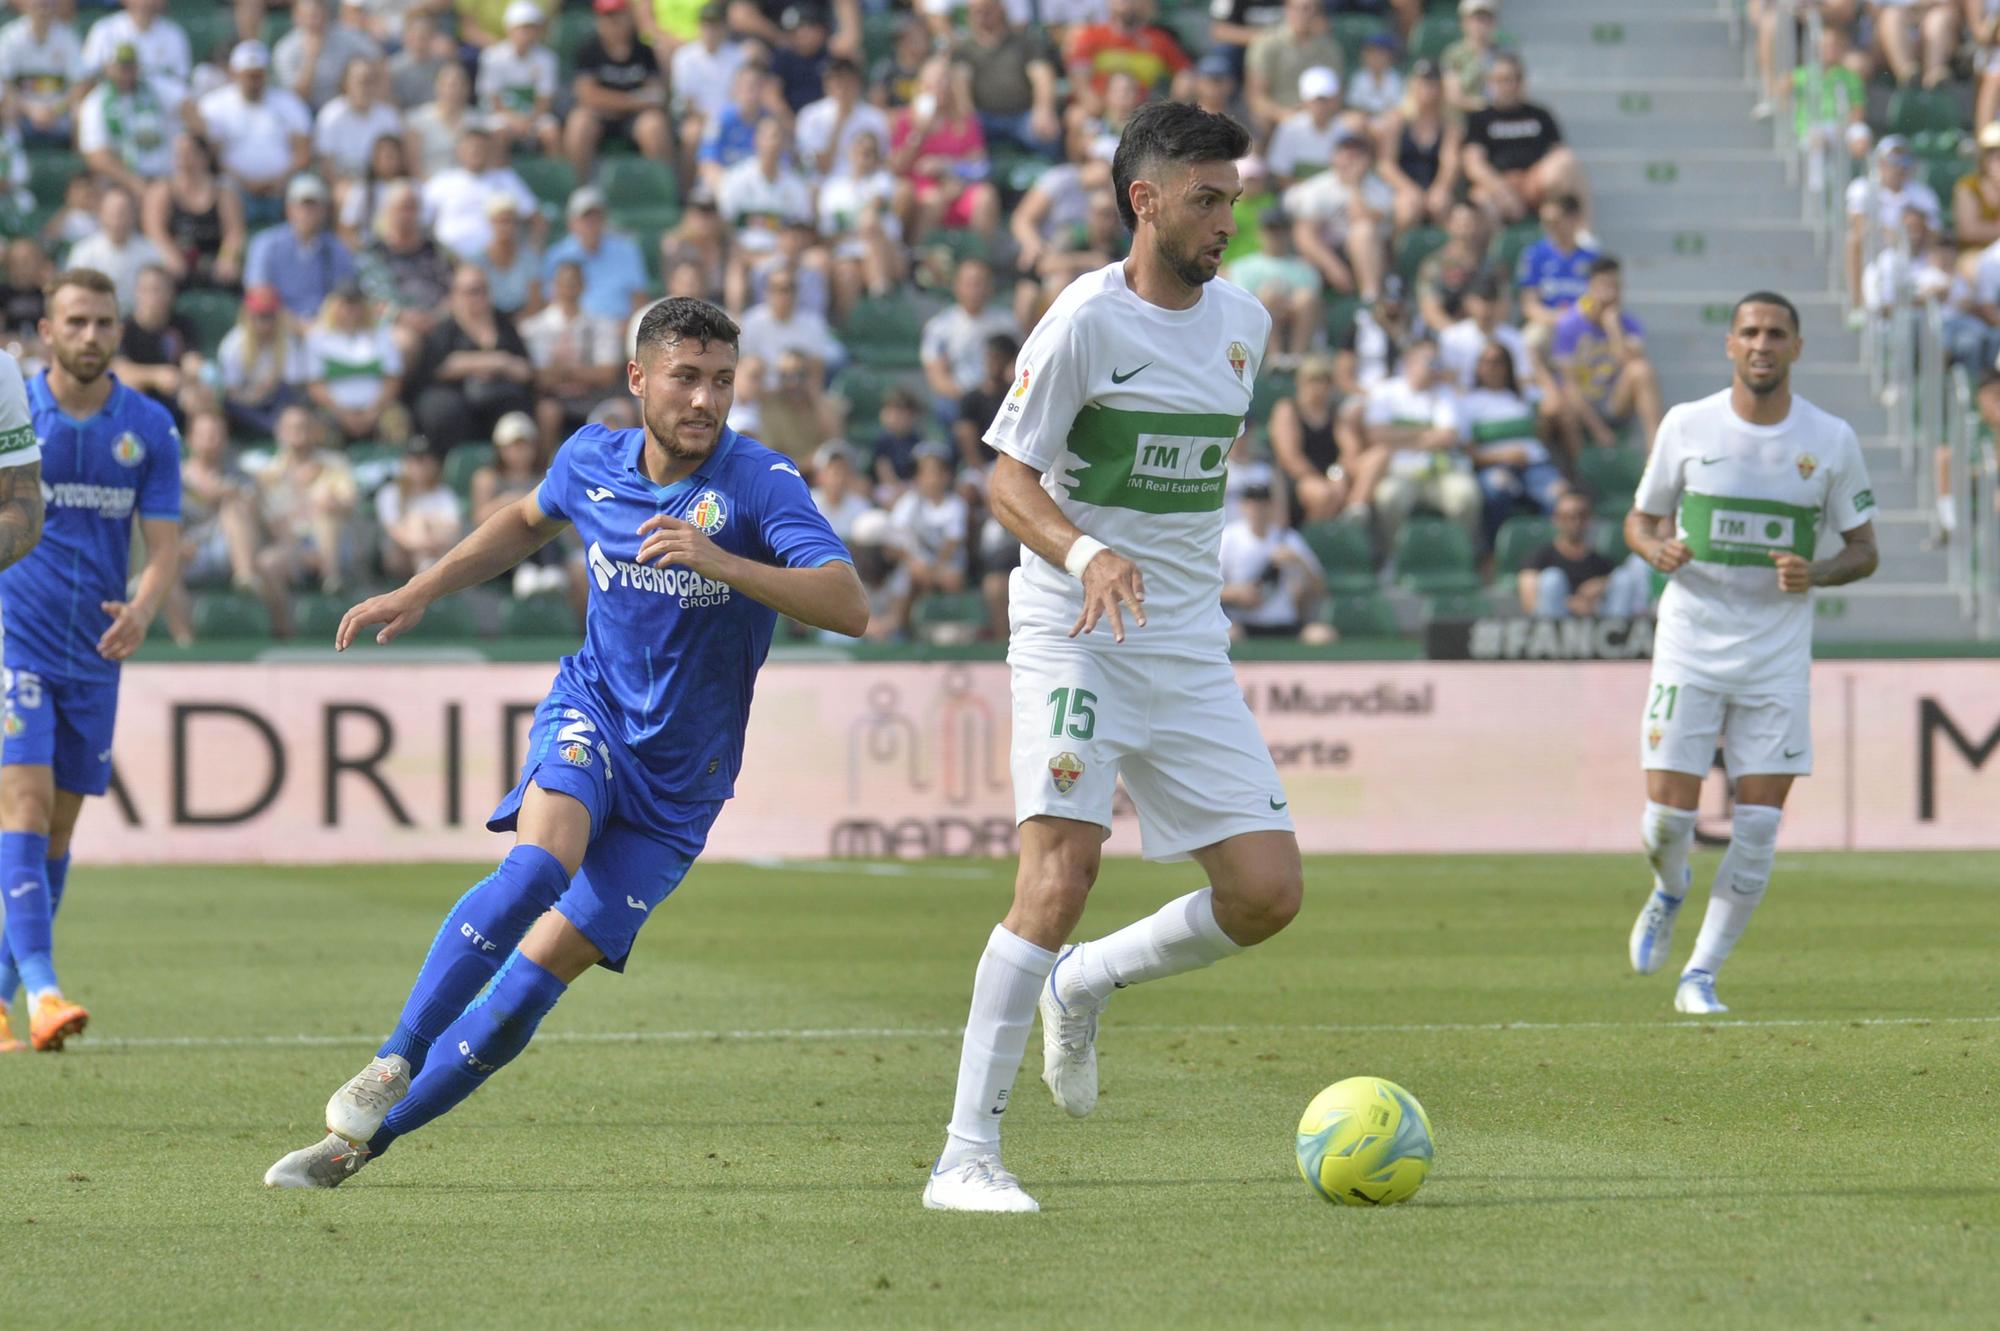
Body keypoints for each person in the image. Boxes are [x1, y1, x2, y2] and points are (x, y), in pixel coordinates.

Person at [263, 296, 867, 1187]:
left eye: (723, 382)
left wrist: (725, 563)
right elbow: (524, 518)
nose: (706, 400)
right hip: (593, 715)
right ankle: (393, 1056)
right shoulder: (592, 457)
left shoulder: (760, 482)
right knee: (542, 863)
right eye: (686, 378)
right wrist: (419, 588)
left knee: (531, 987)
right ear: (638, 380)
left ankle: (355, 1147)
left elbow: (848, 602)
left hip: (683, 785)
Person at [927, 101, 1300, 1213]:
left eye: (1232, 197)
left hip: (1185, 640)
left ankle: (1087, 981)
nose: (1225, 218)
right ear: (1143, 201)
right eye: (1205, 198)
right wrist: (1087, 551)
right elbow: (1005, 477)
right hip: (1074, 631)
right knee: (1057, 877)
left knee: (1266, 892)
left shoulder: (1246, 323)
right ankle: (964, 1154)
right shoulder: (1084, 320)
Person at [1623, 291, 1878, 1016]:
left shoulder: (1830, 439)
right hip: (1691, 640)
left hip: (1776, 650)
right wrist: (1656, 548)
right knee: (1668, 821)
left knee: (1760, 825)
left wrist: (1816, 571)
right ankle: (1669, 888)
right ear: (1730, 345)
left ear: (1796, 347)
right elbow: (1639, 520)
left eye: (1776, 333)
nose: (1762, 344)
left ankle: (1700, 975)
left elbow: (1864, 550)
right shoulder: (1687, 425)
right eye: (1750, 332)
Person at [0, 268, 179, 1055]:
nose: (90, 336)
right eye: (75, 322)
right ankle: (43, 990)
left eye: (104, 322)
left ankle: (6, 995)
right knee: (25, 808)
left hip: (95, 651)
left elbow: (166, 548)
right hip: (15, 635)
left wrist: (142, 609)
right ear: (47, 331)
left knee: (60, 830)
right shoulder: (16, 412)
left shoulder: (149, 426)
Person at [405, 263, 537, 448]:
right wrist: (493, 361)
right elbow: (439, 366)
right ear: (456, 294)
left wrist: (501, 363)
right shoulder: (445, 327)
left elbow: (526, 369)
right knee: (443, 410)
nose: (479, 297)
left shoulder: (503, 323)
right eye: (472, 291)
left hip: (500, 399)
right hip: (456, 402)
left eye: (483, 290)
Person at [1462, 53, 1587, 226]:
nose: (1506, 85)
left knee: (1567, 163)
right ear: (1490, 83)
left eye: (1511, 79)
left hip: (1534, 183)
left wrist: (1529, 181)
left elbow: (1559, 154)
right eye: (1500, 80)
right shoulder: (1480, 119)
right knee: (1478, 199)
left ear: (1521, 82)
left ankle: (1580, 235)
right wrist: (1502, 190)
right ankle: (1490, 251)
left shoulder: (1540, 115)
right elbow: (1473, 164)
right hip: (1497, 185)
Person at [1552, 256, 1661, 450]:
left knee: (1641, 370)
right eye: (1604, 286)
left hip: (1613, 400)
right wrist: (1599, 430)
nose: (1610, 293)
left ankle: (1655, 451)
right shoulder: (1569, 324)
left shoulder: (1629, 324)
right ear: (1590, 286)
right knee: (1565, 402)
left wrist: (1613, 327)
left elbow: (1630, 365)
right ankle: (1577, 471)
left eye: (1616, 286)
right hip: (1582, 401)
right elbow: (1570, 385)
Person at [564, 0, 670, 183]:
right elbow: (586, 96)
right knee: (579, 123)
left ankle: (661, 188)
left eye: (618, 16)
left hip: (635, 118)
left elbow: (656, 95)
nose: (613, 23)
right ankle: (578, 190)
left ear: (629, 17)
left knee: (654, 125)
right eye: (607, 17)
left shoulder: (644, 51)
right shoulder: (589, 50)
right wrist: (632, 100)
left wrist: (610, 100)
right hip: (601, 117)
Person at [1218, 477, 1328, 641]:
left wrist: (1297, 561)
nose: (1257, 507)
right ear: (1243, 505)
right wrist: (1237, 593)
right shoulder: (1229, 537)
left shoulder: (1288, 538)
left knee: (1322, 636)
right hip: (1244, 624)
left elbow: (1321, 588)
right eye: (1252, 501)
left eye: (1263, 502)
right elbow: (1209, 587)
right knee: (1228, 635)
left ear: (1271, 506)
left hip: (1286, 623)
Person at [1518, 489, 1649, 619]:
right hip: (1554, 627)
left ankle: (1618, 636)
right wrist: (1572, 604)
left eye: (1581, 516)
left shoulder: (1600, 562)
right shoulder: (1539, 557)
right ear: (1556, 519)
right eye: (1567, 517)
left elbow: (1615, 590)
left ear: (1589, 519)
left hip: (1596, 626)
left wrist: (1601, 585)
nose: (1575, 522)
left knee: (1623, 578)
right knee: (1552, 578)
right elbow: (1530, 604)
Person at [140, 132, 247, 289]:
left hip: (213, 261)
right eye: (178, 153)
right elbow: (154, 230)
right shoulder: (162, 191)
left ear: (204, 156)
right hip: (175, 262)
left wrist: (227, 258)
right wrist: (171, 255)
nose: (182, 159)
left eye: (188, 153)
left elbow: (234, 232)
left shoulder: (224, 194)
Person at [304, 278, 405, 443]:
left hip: (377, 408)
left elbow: (392, 379)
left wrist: (373, 412)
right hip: (335, 411)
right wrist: (343, 414)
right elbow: (315, 385)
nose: (350, 310)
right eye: (344, 304)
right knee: (319, 427)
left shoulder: (381, 334)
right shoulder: (318, 337)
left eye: (355, 304)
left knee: (397, 421)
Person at [1268, 353, 1347, 524]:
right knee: (1323, 494)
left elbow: (1349, 449)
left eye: (1325, 381)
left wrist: (1337, 476)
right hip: (1297, 478)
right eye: (1314, 380)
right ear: (1301, 381)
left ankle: (1351, 521)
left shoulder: (1334, 412)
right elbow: (1290, 458)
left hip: (1330, 474)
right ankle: (1312, 540)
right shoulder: (1288, 409)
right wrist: (1321, 481)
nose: (1320, 387)